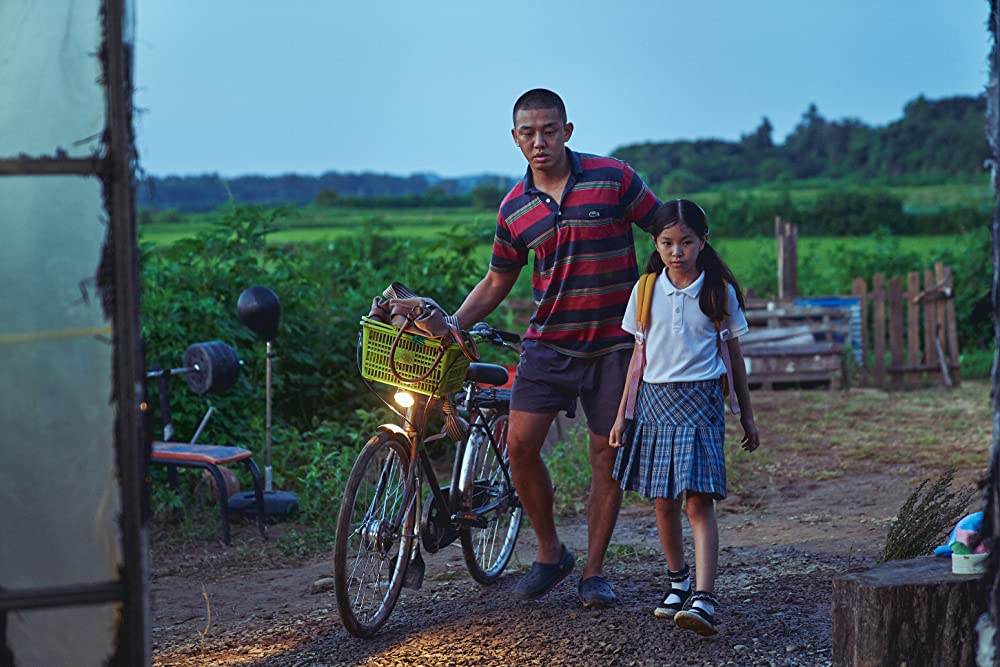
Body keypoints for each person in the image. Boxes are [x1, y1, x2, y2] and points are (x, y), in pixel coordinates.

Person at [453, 88, 661, 608]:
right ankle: (550, 553)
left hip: (616, 345)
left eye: (549, 130)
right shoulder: (514, 208)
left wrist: (681, 303)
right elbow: (497, 281)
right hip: (547, 344)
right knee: (520, 446)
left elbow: (667, 232)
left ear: (568, 131)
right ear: (515, 138)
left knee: (605, 457)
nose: (539, 141)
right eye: (528, 133)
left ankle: (593, 572)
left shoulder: (614, 178)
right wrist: (453, 324)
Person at [609, 199, 760, 636]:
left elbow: (735, 358)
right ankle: (677, 582)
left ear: (702, 241)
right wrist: (623, 416)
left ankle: (704, 597)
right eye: (667, 243)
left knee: (698, 500)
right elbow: (637, 360)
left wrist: (746, 416)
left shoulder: (718, 292)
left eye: (686, 242)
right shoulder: (644, 291)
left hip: (702, 402)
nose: (677, 251)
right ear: (655, 244)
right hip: (655, 402)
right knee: (663, 499)